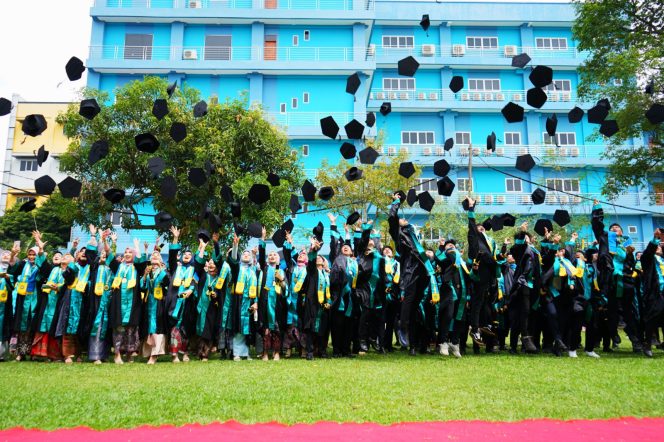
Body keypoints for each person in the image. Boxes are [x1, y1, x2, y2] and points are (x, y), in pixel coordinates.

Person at [109, 238, 147, 364]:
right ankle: (117, 354)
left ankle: (130, 354)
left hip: (133, 303)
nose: (127, 253)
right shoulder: (118, 267)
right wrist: (106, 241)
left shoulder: (137, 268)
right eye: (125, 252)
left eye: (130, 252)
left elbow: (142, 263)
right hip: (118, 302)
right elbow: (110, 256)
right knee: (118, 329)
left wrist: (137, 246)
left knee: (131, 329)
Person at [165, 226, 199, 363]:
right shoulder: (176, 268)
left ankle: (185, 353)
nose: (187, 255)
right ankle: (174, 355)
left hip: (188, 305)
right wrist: (176, 238)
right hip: (174, 304)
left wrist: (201, 247)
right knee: (174, 330)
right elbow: (172, 256)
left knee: (186, 330)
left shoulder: (194, 270)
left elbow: (196, 284)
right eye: (185, 253)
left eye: (189, 254)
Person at [228, 232, 258, 361]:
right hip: (238, 301)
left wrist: (255, 302)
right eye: (244, 254)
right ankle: (236, 353)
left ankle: (245, 353)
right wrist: (235, 246)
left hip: (250, 301)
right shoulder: (237, 269)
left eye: (248, 254)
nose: (246, 255)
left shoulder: (254, 271)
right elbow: (233, 260)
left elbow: (257, 288)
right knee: (238, 327)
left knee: (248, 328)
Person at [9, 239, 41, 361]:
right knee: (22, 326)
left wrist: (40, 247)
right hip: (22, 298)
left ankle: (33, 353)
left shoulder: (41, 266)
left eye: (34, 254)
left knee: (33, 326)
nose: (32, 256)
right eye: (30, 254)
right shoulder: (23, 264)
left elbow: (45, 273)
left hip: (36, 298)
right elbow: (12, 270)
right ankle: (20, 353)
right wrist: (12, 255)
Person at [87, 232, 116, 364]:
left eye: (106, 255)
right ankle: (95, 355)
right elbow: (90, 254)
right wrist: (96, 237)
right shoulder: (94, 268)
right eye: (101, 254)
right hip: (95, 301)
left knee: (107, 327)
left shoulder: (112, 270)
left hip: (109, 301)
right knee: (96, 325)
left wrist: (110, 242)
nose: (104, 256)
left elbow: (111, 254)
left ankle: (103, 354)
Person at [140, 250, 170, 364]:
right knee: (148, 327)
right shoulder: (147, 272)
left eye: (157, 255)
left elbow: (167, 285)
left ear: (161, 261)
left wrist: (162, 270)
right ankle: (149, 352)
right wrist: (145, 276)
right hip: (148, 303)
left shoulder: (163, 272)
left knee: (158, 327)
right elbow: (142, 288)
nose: (154, 256)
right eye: (153, 255)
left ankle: (155, 354)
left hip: (160, 303)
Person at [0, 250, 14, 361]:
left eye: (8, 254)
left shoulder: (11, 270)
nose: (5, 255)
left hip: (6, 303)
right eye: (3, 254)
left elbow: (13, 286)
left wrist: (8, 279)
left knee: (4, 326)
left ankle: (2, 354)